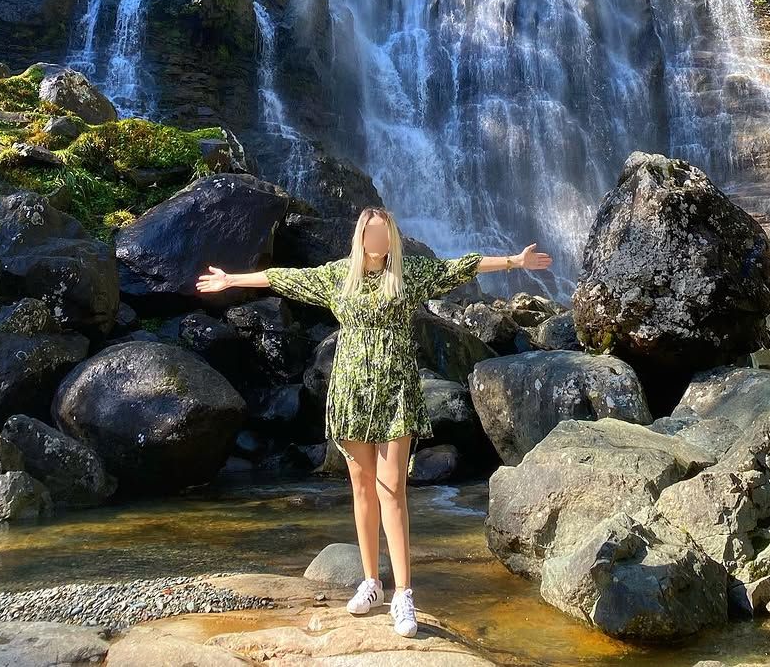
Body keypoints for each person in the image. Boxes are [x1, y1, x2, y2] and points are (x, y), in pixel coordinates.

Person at [196, 204, 552, 638]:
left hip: (396, 392)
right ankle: (370, 583)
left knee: (393, 491)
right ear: (362, 237)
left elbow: (463, 266)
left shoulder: (409, 273)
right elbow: (282, 278)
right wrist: (231, 279)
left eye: (385, 235)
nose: (379, 242)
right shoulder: (336, 275)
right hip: (351, 394)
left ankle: (404, 593)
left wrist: (514, 261)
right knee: (362, 489)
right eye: (373, 235)